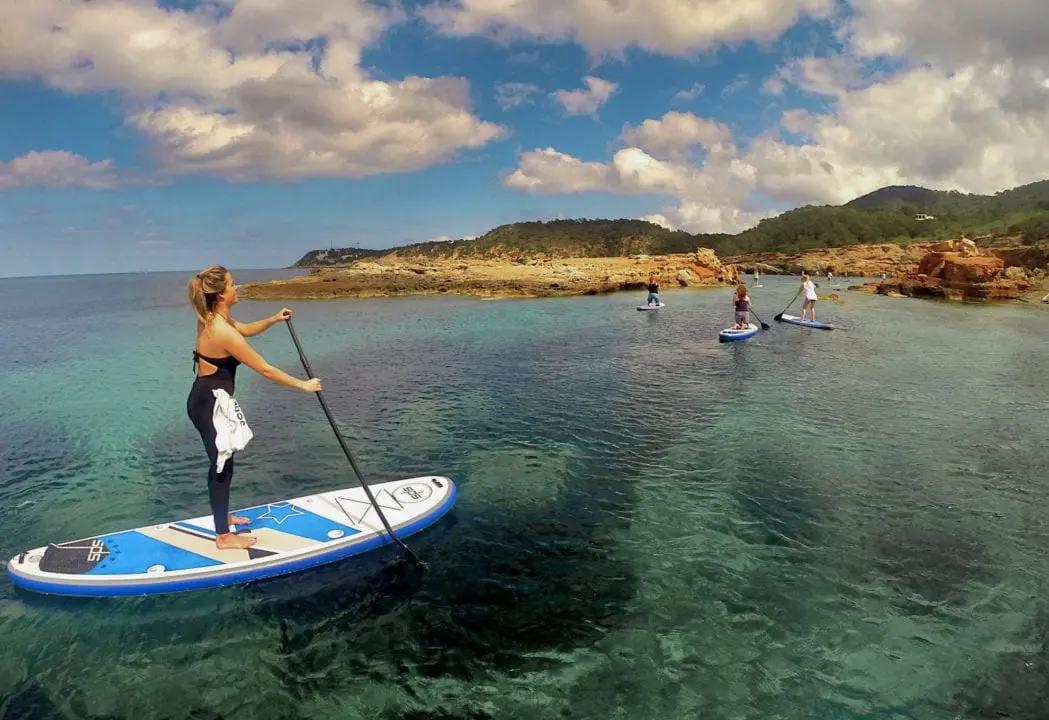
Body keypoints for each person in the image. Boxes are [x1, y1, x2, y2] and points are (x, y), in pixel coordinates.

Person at [186, 265, 322, 550]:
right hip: (210, 405)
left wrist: (274, 318)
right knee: (222, 465)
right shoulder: (221, 330)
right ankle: (223, 536)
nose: (238, 288)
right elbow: (265, 369)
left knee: (223, 462)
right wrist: (303, 385)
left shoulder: (215, 319)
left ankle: (223, 517)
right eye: (233, 285)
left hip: (205, 399)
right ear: (221, 295)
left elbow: (246, 329)